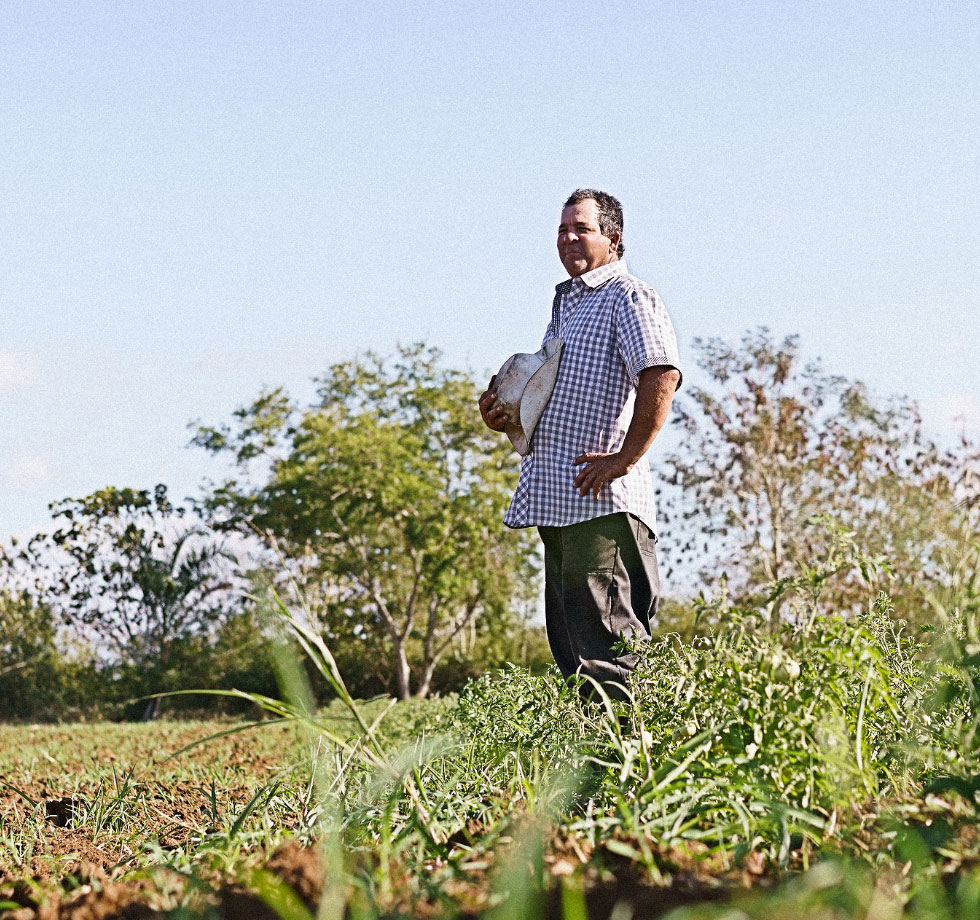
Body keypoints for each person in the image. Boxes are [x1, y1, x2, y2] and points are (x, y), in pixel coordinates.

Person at [479, 189, 681, 700]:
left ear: (613, 239)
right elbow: (555, 399)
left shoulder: (628, 296)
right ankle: (597, 774)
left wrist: (626, 458)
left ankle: (640, 772)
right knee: (574, 657)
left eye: (582, 229)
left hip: (602, 507)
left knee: (610, 652)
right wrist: (503, 415)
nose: (568, 239)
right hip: (559, 503)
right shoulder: (568, 307)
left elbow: (660, 374)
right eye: (563, 230)